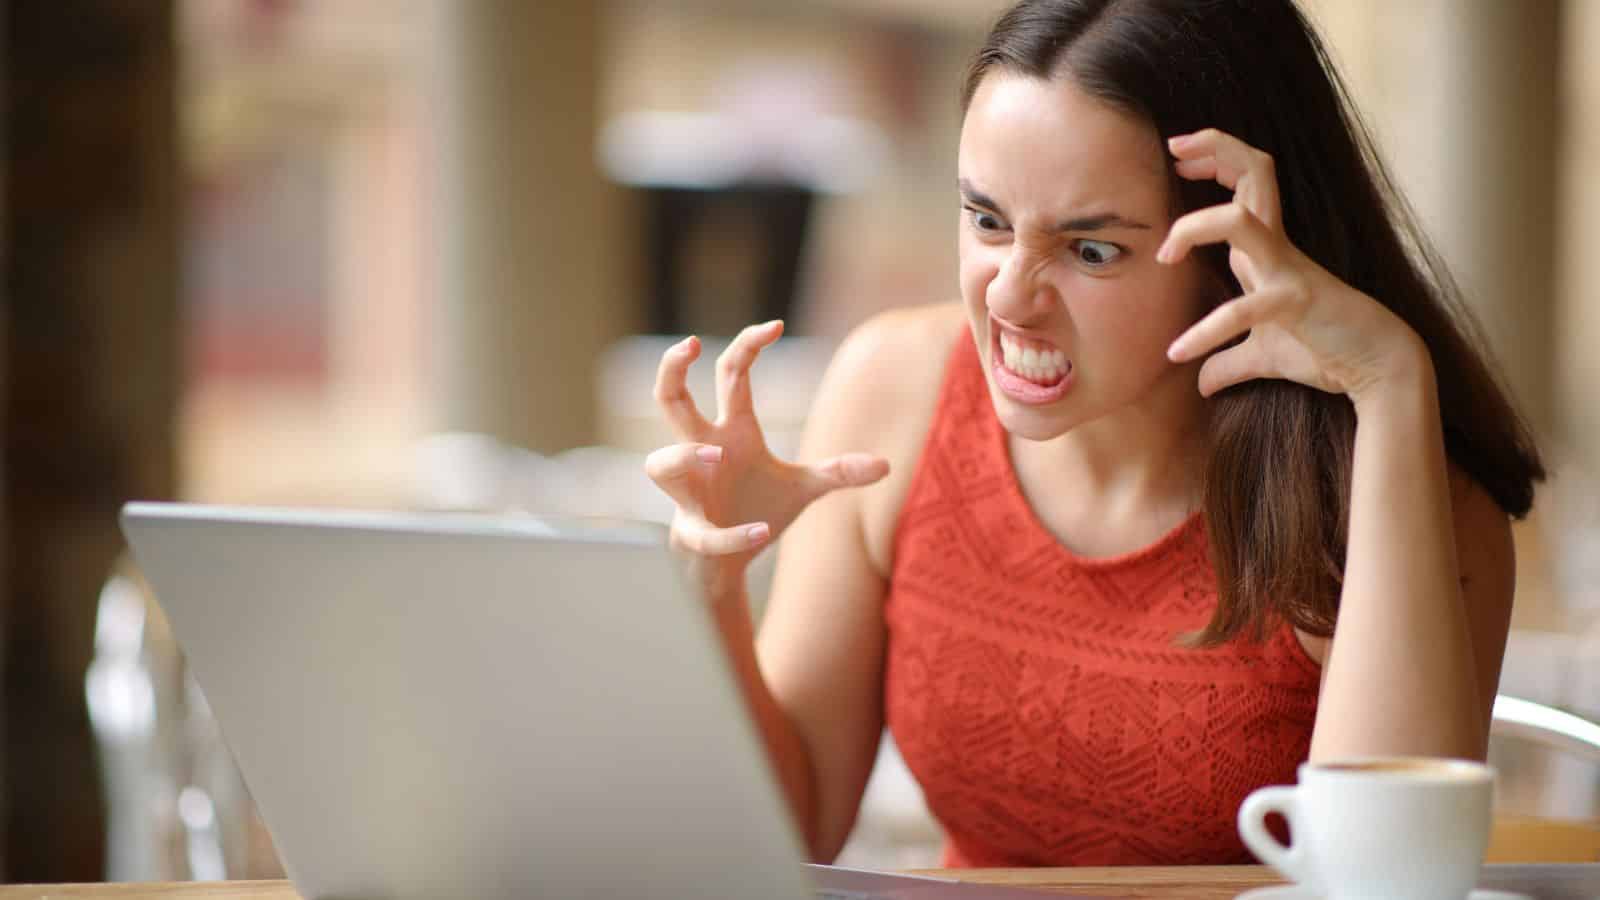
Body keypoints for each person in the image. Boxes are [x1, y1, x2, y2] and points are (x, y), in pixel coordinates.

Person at [644, 0, 1545, 868]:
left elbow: (1382, 882)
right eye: (987, 221)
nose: (1006, 297)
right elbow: (793, 828)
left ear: (1232, 250)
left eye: (1090, 250)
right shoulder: (895, 391)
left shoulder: (1382, 480)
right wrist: (714, 583)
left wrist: (1391, 383)